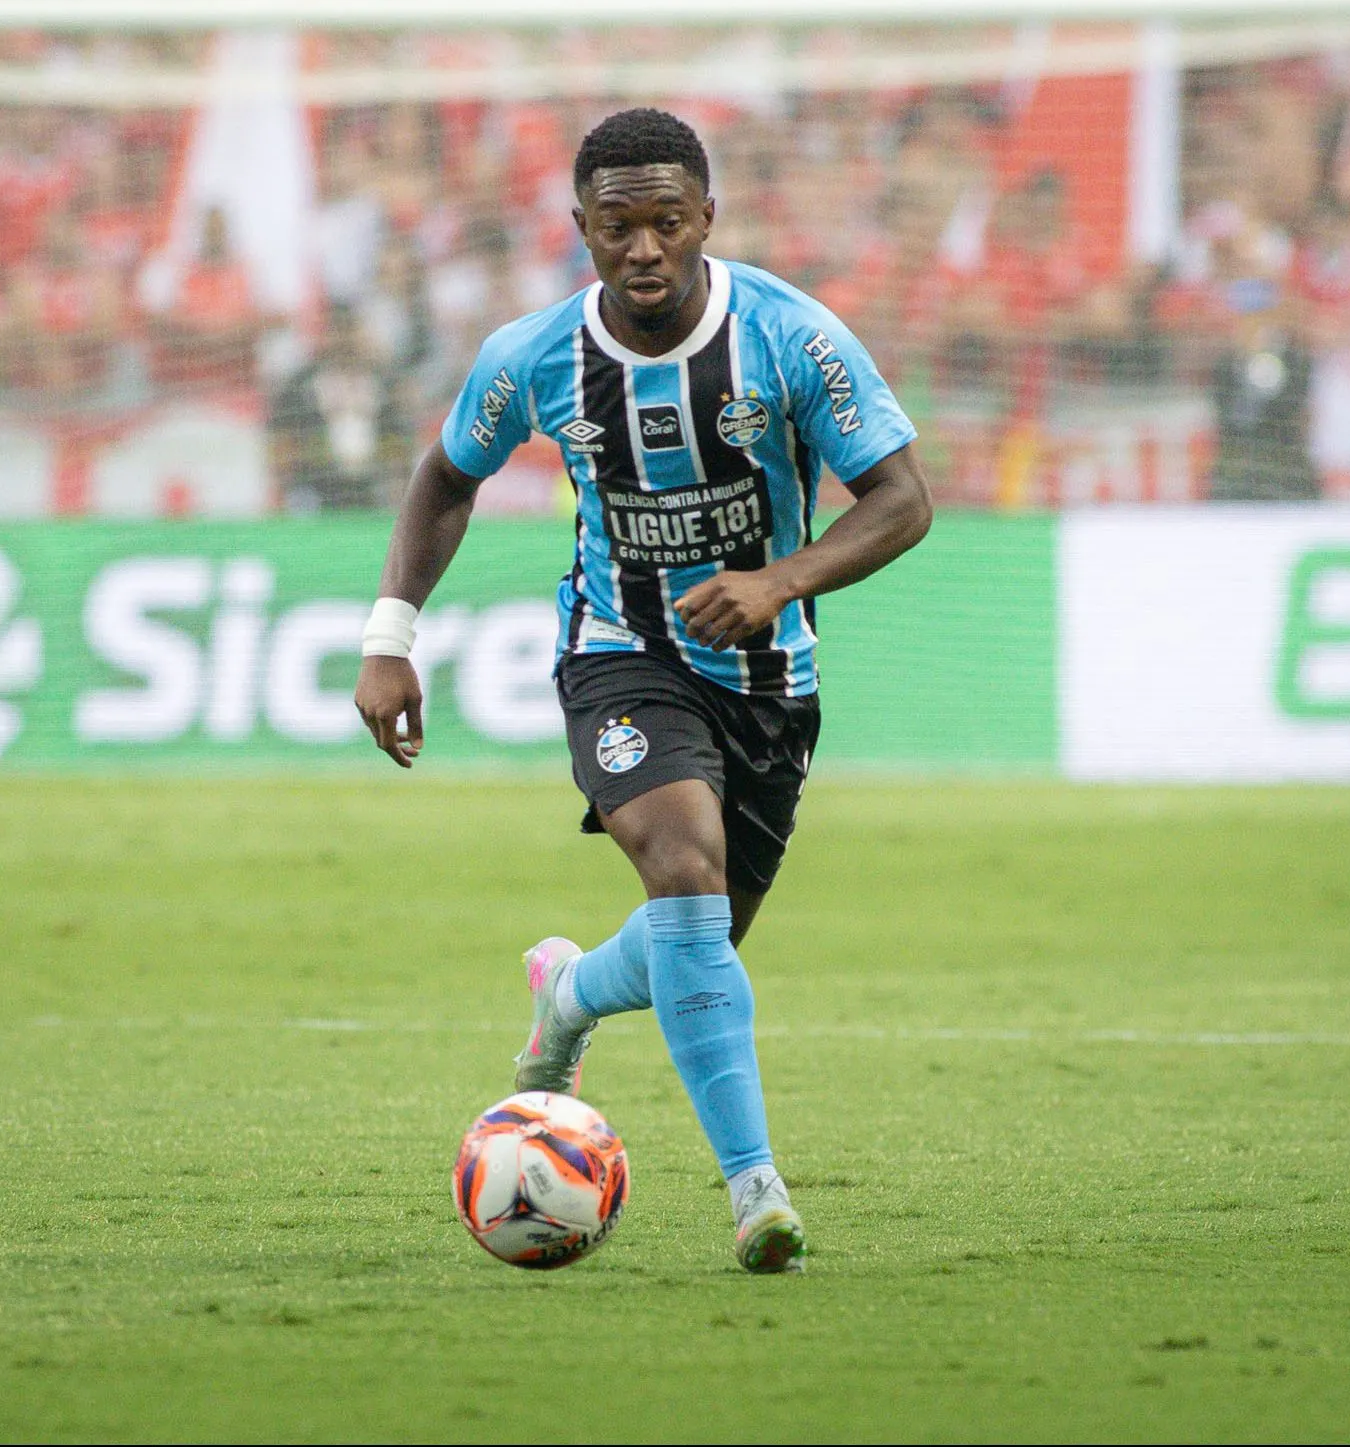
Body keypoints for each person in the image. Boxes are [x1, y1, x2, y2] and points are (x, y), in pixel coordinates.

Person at [353, 108, 932, 1275]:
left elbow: (902, 498)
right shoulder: (533, 356)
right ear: (583, 228)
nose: (645, 248)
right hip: (619, 651)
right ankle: (757, 1194)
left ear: (707, 216)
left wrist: (778, 581)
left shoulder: (792, 337)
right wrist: (389, 635)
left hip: (768, 677)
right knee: (681, 869)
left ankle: (568, 993)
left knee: (697, 940)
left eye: (668, 220)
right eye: (618, 226)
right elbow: (446, 478)